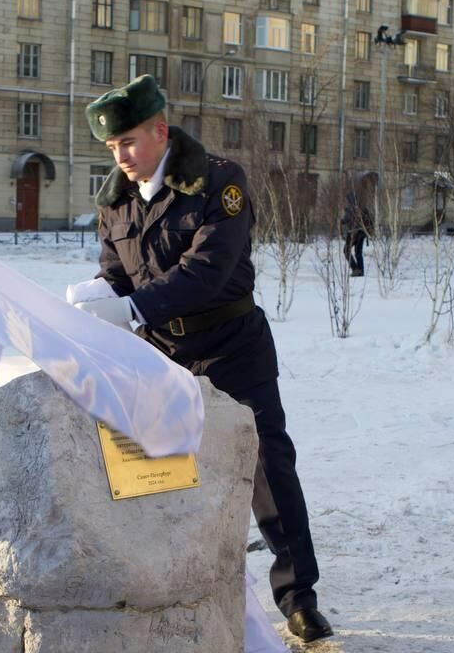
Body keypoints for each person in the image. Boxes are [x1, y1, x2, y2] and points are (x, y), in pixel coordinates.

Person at [74, 75, 333, 643]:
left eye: (130, 143)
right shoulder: (115, 200)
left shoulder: (218, 182)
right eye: (112, 147)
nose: (121, 157)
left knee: (268, 471)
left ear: (161, 131)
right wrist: (97, 298)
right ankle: (167, 590)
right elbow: (116, 276)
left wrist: (132, 307)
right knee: (150, 473)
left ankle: (297, 598)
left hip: (231, 347)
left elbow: (207, 271)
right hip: (160, 357)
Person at [341, 192, 372, 277]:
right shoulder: (362, 208)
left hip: (353, 233)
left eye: (346, 200)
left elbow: (346, 220)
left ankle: (356, 269)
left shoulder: (351, 209)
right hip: (362, 233)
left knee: (346, 251)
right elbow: (369, 221)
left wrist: (341, 221)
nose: (346, 201)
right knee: (358, 252)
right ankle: (360, 271)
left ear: (349, 200)